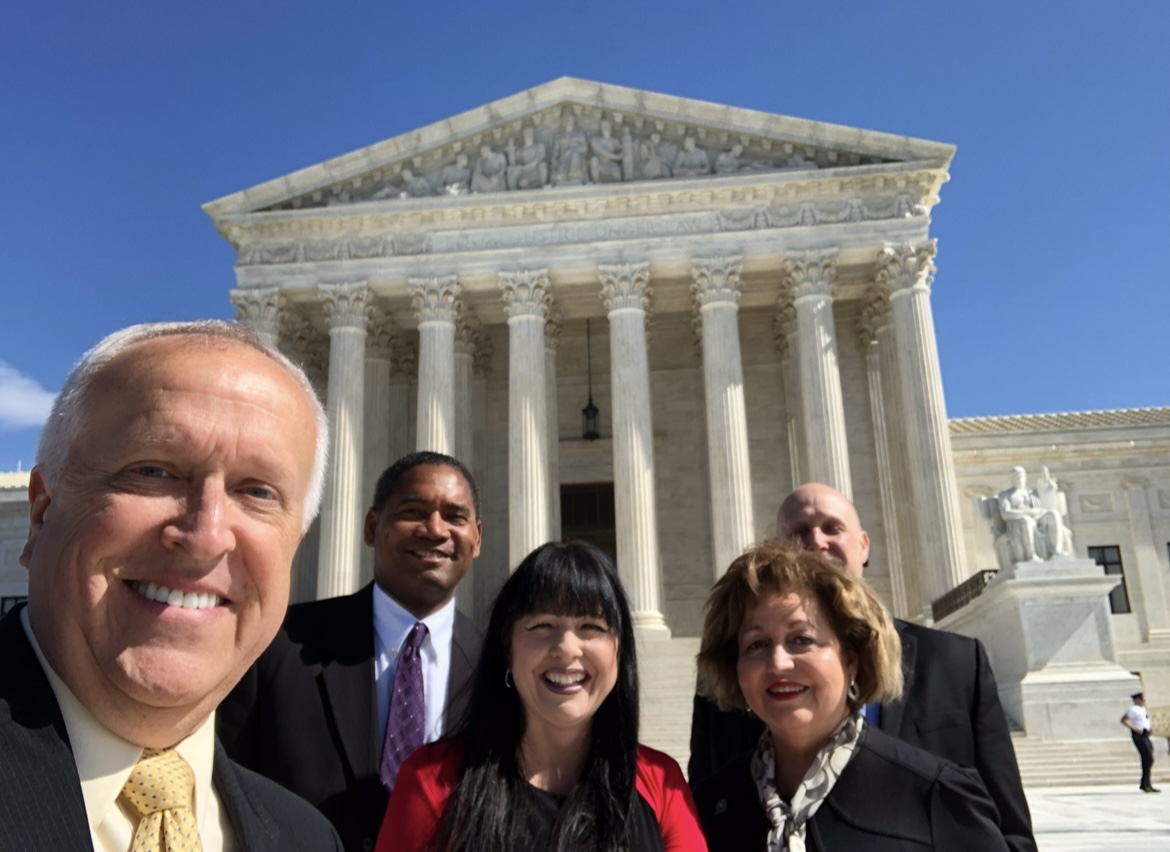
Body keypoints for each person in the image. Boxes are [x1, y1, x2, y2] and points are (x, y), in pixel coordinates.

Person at [1, 320, 342, 850]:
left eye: (256, 491)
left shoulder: (308, 838)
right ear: (42, 513)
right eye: (153, 471)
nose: (205, 536)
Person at [689, 483, 1036, 851]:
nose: (816, 543)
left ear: (853, 658)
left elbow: (1008, 831)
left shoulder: (940, 783)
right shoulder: (717, 799)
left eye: (802, 639)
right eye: (756, 644)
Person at [218, 451, 484, 851]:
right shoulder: (276, 643)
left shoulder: (501, 665)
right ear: (372, 527)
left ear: (477, 539)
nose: (434, 529)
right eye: (414, 511)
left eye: (454, 517)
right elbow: (220, 785)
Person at [375, 541, 706, 852]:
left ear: (619, 652)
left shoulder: (661, 785)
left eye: (591, 627)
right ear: (507, 646)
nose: (566, 649)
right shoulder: (432, 781)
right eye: (542, 625)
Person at [1121, 692, 1160, 792]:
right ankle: (1145, 783)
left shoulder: (1143, 709)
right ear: (1137, 700)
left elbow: (1145, 721)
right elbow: (1124, 720)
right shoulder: (1133, 709)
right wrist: (1135, 729)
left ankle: (1146, 783)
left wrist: (1150, 728)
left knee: (1149, 758)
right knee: (1148, 757)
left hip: (1145, 734)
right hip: (1139, 735)